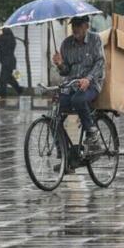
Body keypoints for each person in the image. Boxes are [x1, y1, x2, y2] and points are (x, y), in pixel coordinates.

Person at [52, 15, 105, 150]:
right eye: (73, 25)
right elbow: (65, 71)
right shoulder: (66, 44)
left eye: (79, 25)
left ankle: (92, 132)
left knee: (78, 100)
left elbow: (100, 62)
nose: (75, 28)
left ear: (86, 26)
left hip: (91, 85)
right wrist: (60, 64)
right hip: (71, 86)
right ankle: (63, 152)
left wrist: (88, 78)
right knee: (54, 116)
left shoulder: (95, 39)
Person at [0, 28, 23, 97]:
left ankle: (1, 94)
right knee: (10, 78)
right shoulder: (11, 38)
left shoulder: (4, 38)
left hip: (6, 62)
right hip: (11, 61)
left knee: (2, 79)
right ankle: (19, 90)